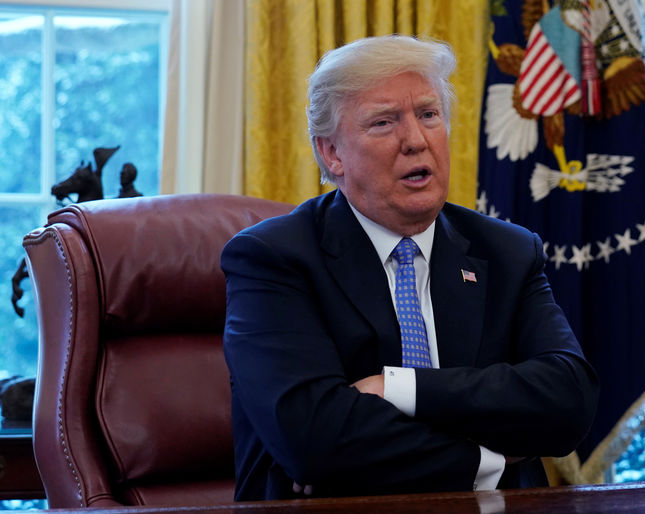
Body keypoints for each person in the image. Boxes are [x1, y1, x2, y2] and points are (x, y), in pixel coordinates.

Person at [221, 34, 599, 501]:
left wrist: (397, 387)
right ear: (332, 153)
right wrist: (493, 460)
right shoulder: (274, 259)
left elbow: (569, 400)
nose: (416, 141)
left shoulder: (507, 252)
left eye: (428, 115)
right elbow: (315, 439)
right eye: (383, 123)